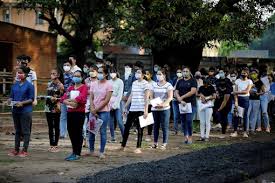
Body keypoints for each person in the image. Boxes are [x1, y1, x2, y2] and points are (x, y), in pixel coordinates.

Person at [121, 68, 150, 154]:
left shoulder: (146, 84)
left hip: (141, 108)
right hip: (133, 108)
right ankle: (123, 145)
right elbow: (131, 96)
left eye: (139, 72)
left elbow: (146, 98)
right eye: (136, 72)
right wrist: (125, 106)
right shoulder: (134, 83)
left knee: (140, 128)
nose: (137, 74)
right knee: (127, 127)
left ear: (143, 74)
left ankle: (138, 147)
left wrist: (146, 110)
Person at [61, 70, 88, 161]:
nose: (76, 77)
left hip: (79, 113)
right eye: (74, 76)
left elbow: (82, 98)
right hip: (70, 113)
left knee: (78, 133)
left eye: (78, 76)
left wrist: (71, 101)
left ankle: (77, 153)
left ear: (82, 77)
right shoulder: (70, 88)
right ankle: (74, 151)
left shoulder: (84, 87)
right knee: (71, 132)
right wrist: (68, 101)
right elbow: (63, 98)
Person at [8, 66, 34, 157]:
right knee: (18, 130)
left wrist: (22, 103)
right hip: (15, 110)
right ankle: (16, 149)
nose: (19, 74)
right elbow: (11, 96)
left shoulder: (30, 85)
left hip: (25, 111)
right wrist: (9, 100)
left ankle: (24, 150)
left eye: (21, 72)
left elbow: (31, 99)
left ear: (26, 74)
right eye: (18, 72)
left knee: (26, 131)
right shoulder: (14, 85)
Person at [88, 67, 113, 159]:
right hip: (93, 110)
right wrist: (92, 108)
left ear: (106, 74)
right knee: (91, 131)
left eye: (101, 72)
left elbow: (107, 100)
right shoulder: (93, 84)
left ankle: (102, 152)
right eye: (98, 72)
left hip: (104, 112)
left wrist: (96, 109)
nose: (99, 74)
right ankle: (91, 151)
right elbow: (91, 97)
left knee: (102, 132)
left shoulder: (109, 85)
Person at [151, 69, 173, 149]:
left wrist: (163, 104)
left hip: (165, 109)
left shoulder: (169, 85)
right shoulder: (153, 85)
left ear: (164, 75)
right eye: (157, 74)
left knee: (164, 126)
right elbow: (151, 96)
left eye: (160, 74)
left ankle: (164, 143)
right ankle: (155, 143)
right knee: (155, 126)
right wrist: (154, 104)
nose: (158, 76)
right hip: (155, 108)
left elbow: (170, 97)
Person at [175, 67, 197, 144]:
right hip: (181, 104)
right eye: (183, 71)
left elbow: (193, 91)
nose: (185, 73)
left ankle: (190, 136)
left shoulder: (193, 80)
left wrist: (182, 97)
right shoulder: (180, 81)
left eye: (186, 71)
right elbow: (176, 91)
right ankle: (185, 136)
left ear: (189, 72)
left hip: (191, 104)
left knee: (189, 120)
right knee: (183, 121)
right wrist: (179, 99)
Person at [45, 69, 64, 152]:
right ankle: (51, 144)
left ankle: (55, 145)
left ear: (58, 75)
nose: (52, 75)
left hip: (56, 107)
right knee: (50, 126)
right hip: (48, 107)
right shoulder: (49, 84)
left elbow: (62, 97)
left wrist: (56, 99)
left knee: (56, 126)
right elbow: (48, 95)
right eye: (51, 73)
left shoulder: (61, 85)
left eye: (54, 73)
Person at [231, 67, 253, 137]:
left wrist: (236, 92)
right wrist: (236, 101)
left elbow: (246, 91)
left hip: (245, 99)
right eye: (242, 73)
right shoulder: (237, 81)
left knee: (245, 116)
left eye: (245, 73)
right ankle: (235, 132)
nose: (243, 74)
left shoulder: (249, 81)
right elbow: (235, 94)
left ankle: (245, 132)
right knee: (236, 115)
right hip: (238, 99)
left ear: (247, 74)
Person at [82, 65, 98, 147]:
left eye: (93, 70)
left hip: (94, 104)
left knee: (92, 123)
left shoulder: (99, 81)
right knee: (84, 123)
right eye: (90, 70)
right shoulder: (86, 80)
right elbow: (84, 91)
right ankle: (84, 140)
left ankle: (91, 142)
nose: (91, 72)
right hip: (85, 103)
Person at [109, 68, 124, 143]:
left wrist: (115, 105)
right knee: (110, 121)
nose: (112, 74)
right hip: (109, 103)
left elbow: (120, 94)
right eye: (111, 72)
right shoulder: (109, 82)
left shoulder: (120, 81)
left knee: (119, 120)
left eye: (113, 72)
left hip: (117, 103)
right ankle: (112, 137)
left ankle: (124, 136)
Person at [60, 60, 74, 139]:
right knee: (63, 116)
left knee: (70, 116)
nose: (66, 66)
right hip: (62, 98)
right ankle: (62, 133)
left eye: (68, 65)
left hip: (71, 99)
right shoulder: (61, 76)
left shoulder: (74, 76)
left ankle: (71, 132)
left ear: (71, 66)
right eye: (65, 65)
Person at [257, 66, 270, 132]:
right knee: (258, 112)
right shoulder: (259, 78)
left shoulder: (268, 77)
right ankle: (259, 127)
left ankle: (267, 126)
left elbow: (264, 90)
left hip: (264, 95)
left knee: (264, 112)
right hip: (259, 96)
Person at [144, 70, 156, 141]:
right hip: (143, 102)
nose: (146, 75)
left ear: (151, 75)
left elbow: (154, 94)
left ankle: (149, 134)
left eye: (147, 74)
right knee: (142, 119)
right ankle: (142, 134)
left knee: (149, 119)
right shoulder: (143, 83)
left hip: (150, 103)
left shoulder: (154, 83)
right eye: (145, 74)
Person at [171, 69, 183, 135]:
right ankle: (175, 130)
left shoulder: (184, 80)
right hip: (174, 100)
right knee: (175, 116)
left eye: (180, 72)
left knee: (182, 115)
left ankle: (182, 130)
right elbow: (173, 88)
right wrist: (177, 81)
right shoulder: (175, 79)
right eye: (177, 72)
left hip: (181, 100)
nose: (179, 73)